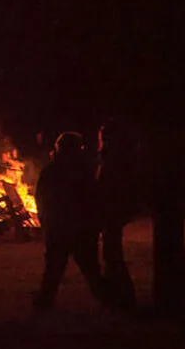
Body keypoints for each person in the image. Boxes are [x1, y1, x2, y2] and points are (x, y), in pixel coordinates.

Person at [34, 131, 107, 310]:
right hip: (79, 229)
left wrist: (47, 224)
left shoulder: (52, 171)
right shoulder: (84, 171)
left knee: (54, 269)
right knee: (90, 270)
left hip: (62, 229)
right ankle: (110, 301)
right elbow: (94, 199)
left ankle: (44, 304)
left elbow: (42, 200)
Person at [96, 122, 138, 311]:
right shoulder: (113, 158)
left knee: (112, 253)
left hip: (113, 210)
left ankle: (123, 297)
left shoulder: (115, 160)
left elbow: (112, 187)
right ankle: (119, 295)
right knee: (111, 252)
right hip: (112, 210)